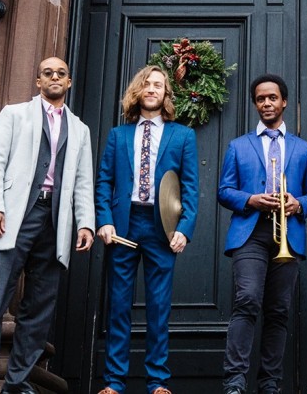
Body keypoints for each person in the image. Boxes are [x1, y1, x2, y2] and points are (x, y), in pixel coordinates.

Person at [0, 57, 95, 394]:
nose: (54, 77)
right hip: (16, 216)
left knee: (39, 306)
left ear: (69, 82)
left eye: (61, 73)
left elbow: (82, 182)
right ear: (38, 81)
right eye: (47, 73)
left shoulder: (80, 129)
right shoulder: (14, 114)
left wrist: (86, 224)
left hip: (56, 221)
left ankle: (17, 382)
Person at [95, 65, 199, 394]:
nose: (152, 89)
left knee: (158, 308)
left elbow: (191, 187)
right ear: (138, 92)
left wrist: (185, 227)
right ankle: (114, 382)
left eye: (159, 85)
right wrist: (104, 220)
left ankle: (157, 382)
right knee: (119, 306)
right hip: (124, 226)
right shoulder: (118, 135)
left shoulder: (183, 136)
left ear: (166, 94)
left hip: (161, 228)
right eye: (147, 84)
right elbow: (104, 182)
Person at [217, 74, 307, 394]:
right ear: (255, 104)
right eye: (261, 99)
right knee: (247, 299)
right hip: (251, 232)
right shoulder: (238, 145)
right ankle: (235, 382)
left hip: (287, 234)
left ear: (284, 102)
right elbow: (223, 191)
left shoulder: (304, 150)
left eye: (272, 98)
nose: (266, 103)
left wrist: (298, 203)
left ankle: (269, 384)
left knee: (278, 311)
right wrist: (249, 199)